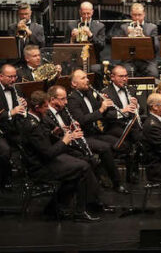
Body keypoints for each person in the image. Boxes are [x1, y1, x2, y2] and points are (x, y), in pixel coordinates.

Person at [20, 90, 104, 222]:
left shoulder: (35, 119)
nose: (48, 109)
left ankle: (54, 207)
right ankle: (80, 211)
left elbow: (44, 137)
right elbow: (48, 153)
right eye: (45, 107)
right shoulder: (32, 126)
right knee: (83, 167)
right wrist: (65, 140)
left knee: (78, 165)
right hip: (40, 167)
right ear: (37, 108)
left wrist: (56, 132)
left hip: (44, 160)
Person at [42, 85, 126, 196]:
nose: (66, 102)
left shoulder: (71, 105)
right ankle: (97, 191)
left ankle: (99, 186)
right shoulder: (49, 113)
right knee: (90, 159)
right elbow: (81, 121)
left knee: (116, 146)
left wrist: (71, 127)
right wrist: (69, 133)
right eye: (63, 99)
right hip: (67, 145)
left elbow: (68, 126)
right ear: (52, 100)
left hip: (82, 137)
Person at [67, 70, 128, 193]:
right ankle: (117, 183)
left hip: (94, 132)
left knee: (121, 144)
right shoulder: (72, 99)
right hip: (83, 136)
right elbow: (82, 120)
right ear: (74, 83)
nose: (87, 80)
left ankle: (99, 171)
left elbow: (97, 112)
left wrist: (104, 105)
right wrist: (101, 109)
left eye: (86, 77)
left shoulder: (88, 92)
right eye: (83, 78)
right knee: (105, 148)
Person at [101, 65, 142, 182]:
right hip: (114, 126)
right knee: (135, 138)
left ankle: (133, 172)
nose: (124, 79)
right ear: (112, 77)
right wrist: (123, 110)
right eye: (121, 76)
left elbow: (141, 111)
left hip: (131, 124)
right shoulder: (105, 93)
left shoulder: (131, 90)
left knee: (141, 137)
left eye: (126, 76)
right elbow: (106, 115)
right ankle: (131, 172)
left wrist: (137, 106)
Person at [117, 3, 160, 78]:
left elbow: (156, 47)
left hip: (147, 61)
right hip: (129, 60)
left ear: (144, 14)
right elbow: (118, 48)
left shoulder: (152, 27)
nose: (137, 17)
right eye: (134, 15)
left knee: (153, 73)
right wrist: (128, 35)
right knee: (125, 73)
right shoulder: (124, 27)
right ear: (131, 14)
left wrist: (143, 36)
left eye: (139, 15)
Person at [0, 64, 26, 189]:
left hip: (13, 127)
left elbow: (19, 112)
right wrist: (11, 112)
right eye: (10, 77)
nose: (13, 79)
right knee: (5, 151)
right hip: (0, 130)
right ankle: (5, 179)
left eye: (15, 76)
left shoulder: (16, 89)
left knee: (32, 141)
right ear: (1, 76)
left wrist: (24, 106)